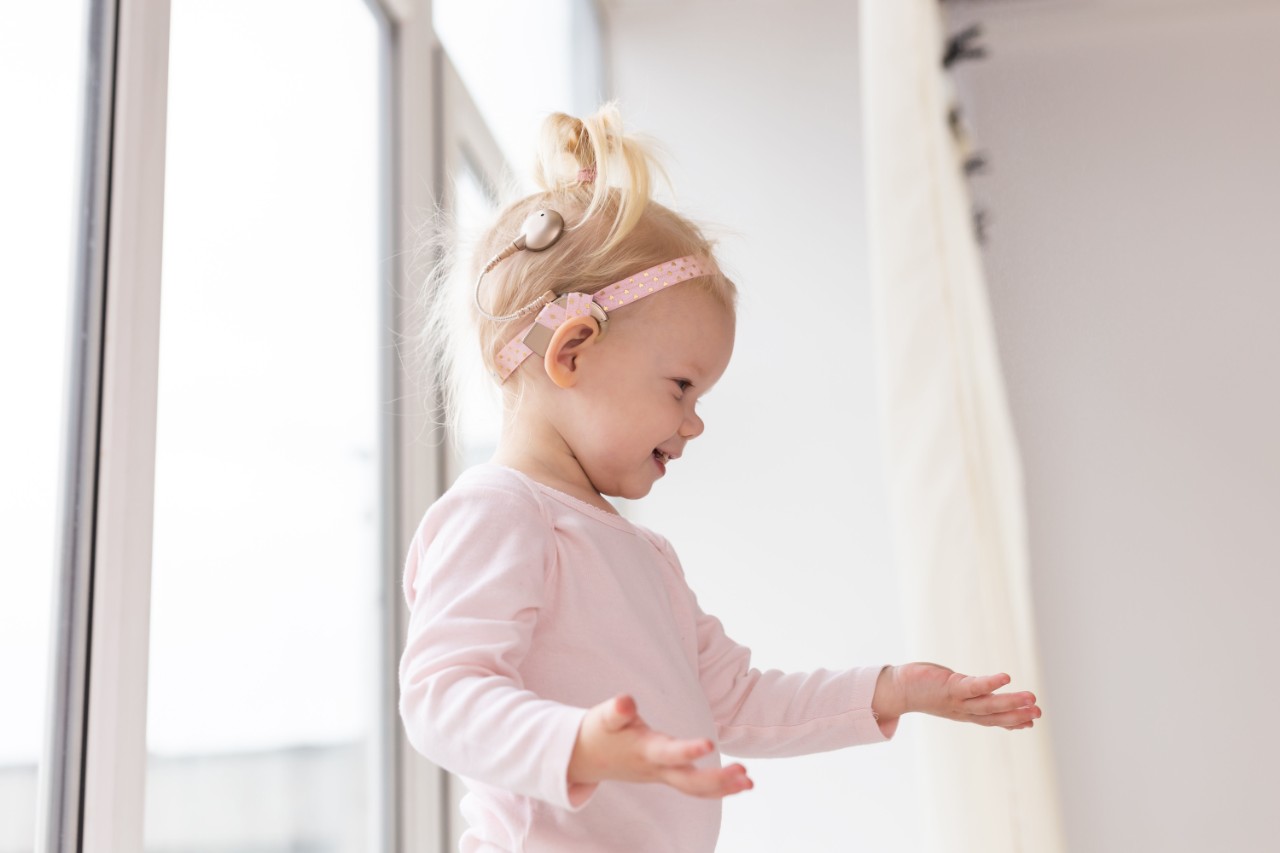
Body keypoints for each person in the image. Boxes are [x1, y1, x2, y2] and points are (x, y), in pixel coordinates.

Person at [398, 103, 1041, 853]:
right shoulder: (499, 512)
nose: (693, 422)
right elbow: (440, 696)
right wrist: (576, 742)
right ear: (571, 351)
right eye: (680, 387)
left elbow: (735, 700)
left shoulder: (643, 556)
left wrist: (890, 688)